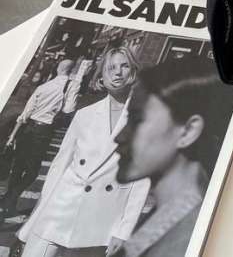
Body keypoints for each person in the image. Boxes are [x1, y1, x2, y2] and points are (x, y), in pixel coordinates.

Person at [16, 46, 150, 257]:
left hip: (100, 219)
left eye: (124, 66)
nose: (117, 72)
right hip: (60, 207)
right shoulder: (84, 114)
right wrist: (38, 212)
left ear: (133, 72)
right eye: (111, 67)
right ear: (101, 76)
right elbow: (59, 166)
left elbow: (140, 180)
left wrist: (123, 232)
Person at [112, 58, 228, 257]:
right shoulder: (174, 211)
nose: (119, 137)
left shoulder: (185, 238)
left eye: (137, 120)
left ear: (188, 132)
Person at [1, 59, 75, 219]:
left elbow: (25, 114)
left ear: (58, 68)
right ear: (71, 70)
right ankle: (10, 198)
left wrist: (12, 136)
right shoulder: (70, 85)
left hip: (27, 128)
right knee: (33, 171)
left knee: (18, 166)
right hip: (44, 131)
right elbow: (69, 110)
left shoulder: (43, 87)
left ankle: (9, 204)